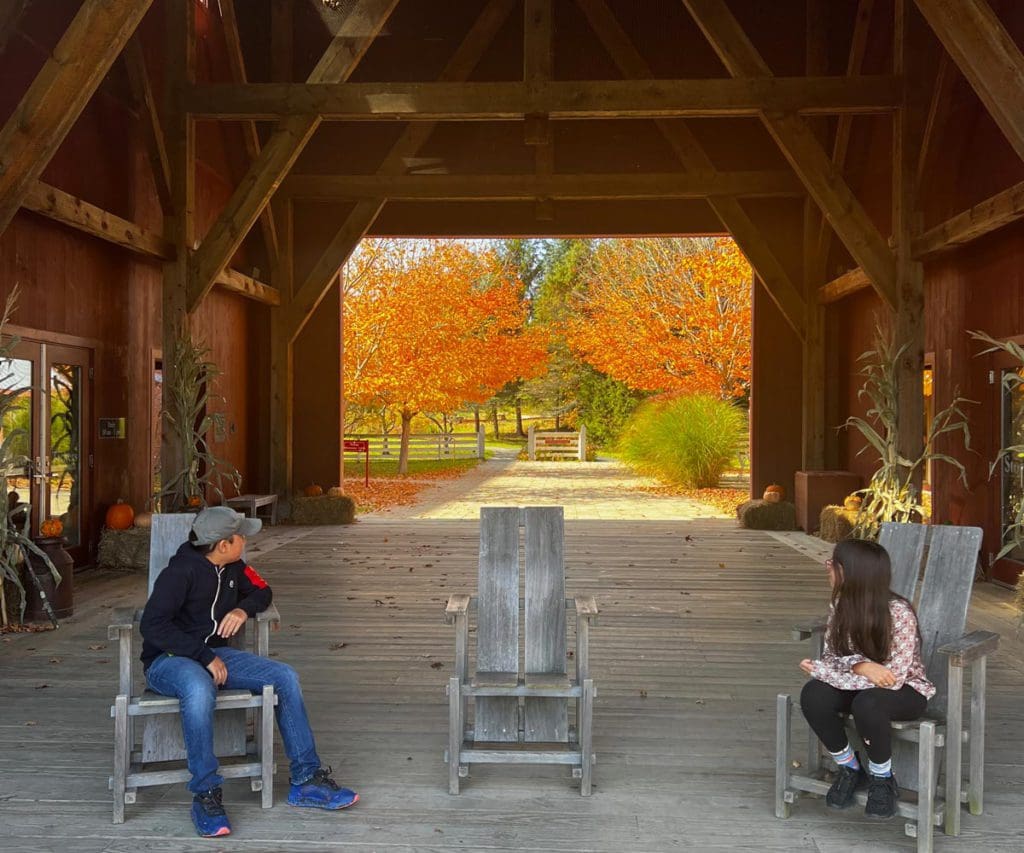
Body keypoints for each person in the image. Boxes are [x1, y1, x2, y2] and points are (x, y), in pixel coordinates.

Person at [140, 506, 358, 838]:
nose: (246, 540)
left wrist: (243, 609)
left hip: (214, 654)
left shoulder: (235, 568)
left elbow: (263, 590)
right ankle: (206, 793)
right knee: (199, 688)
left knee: (284, 677)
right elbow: (152, 624)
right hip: (168, 661)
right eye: (242, 536)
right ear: (223, 544)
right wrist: (201, 656)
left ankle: (306, 780)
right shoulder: (180, 573)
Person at [798, 538, 934, 820]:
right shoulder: (841, 604)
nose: (828, 570)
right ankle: (849, 767)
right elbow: (833, 654)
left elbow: (892, 678)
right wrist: (861, 666)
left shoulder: (899, 612)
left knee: (868, 704)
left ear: (851, 572)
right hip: (859, 683)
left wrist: (833, 672)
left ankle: (883, 778)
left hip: (904, 691)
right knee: (814, 694)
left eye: (832, 565)